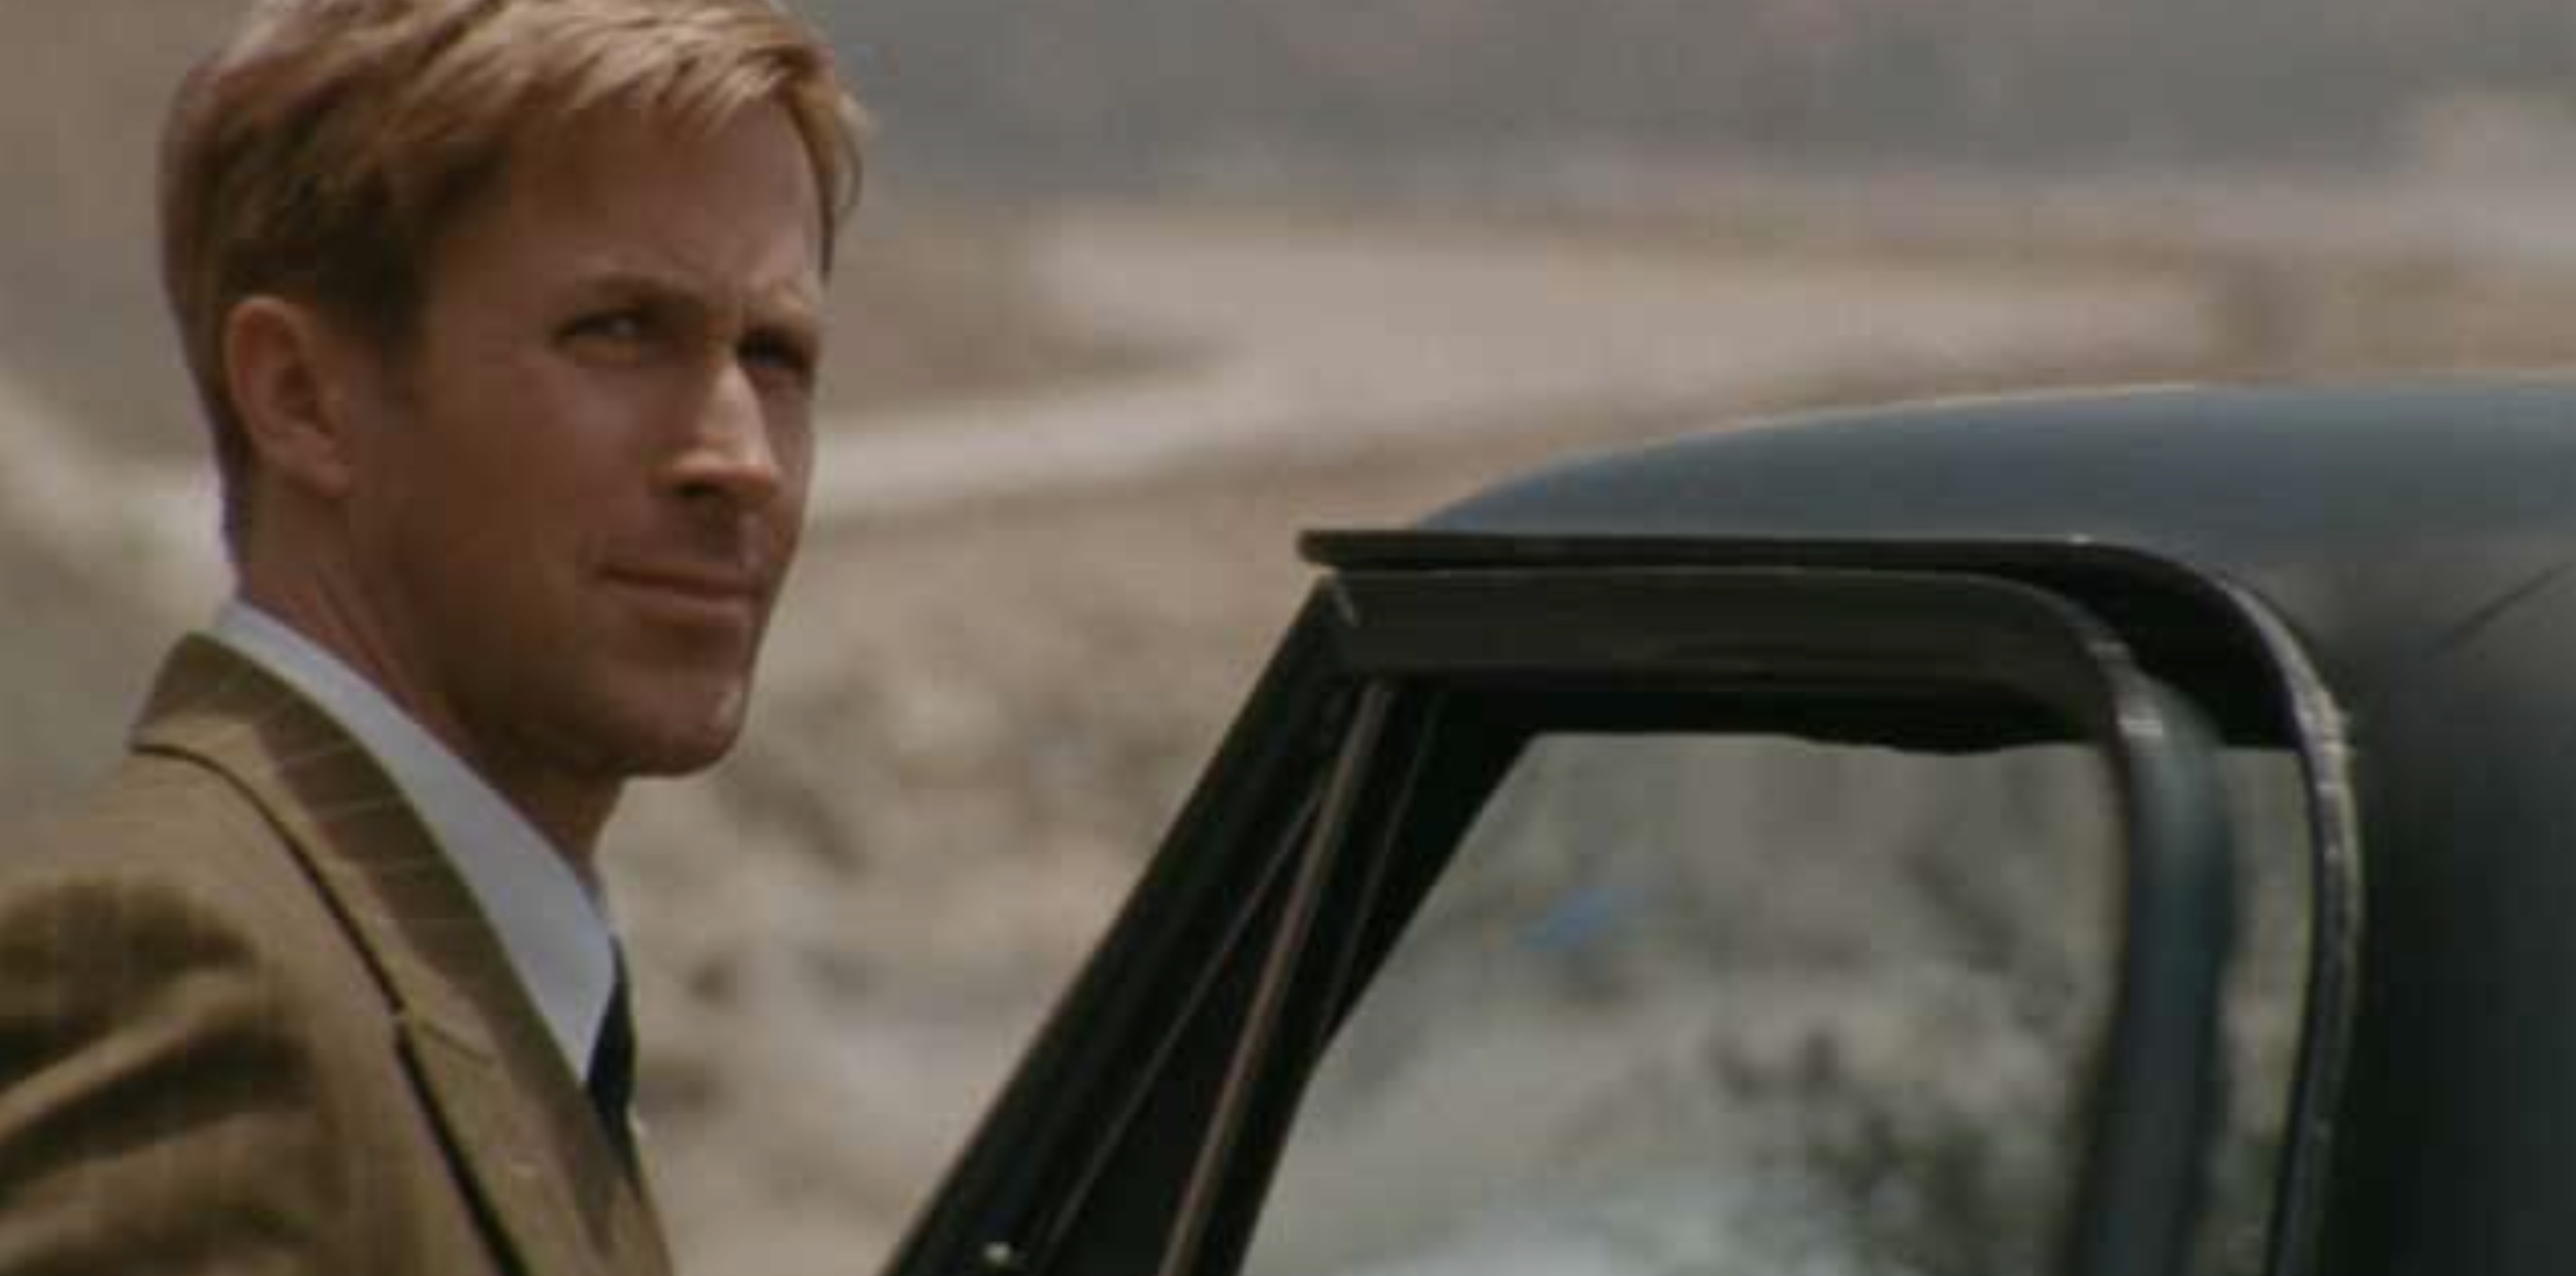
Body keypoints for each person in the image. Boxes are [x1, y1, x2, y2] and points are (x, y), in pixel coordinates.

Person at [0, 1, 865, 1271]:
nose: (740, 458)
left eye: (776, 356)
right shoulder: (197, 974)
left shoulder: (457, 985)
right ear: (302, 397)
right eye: (620, 331)